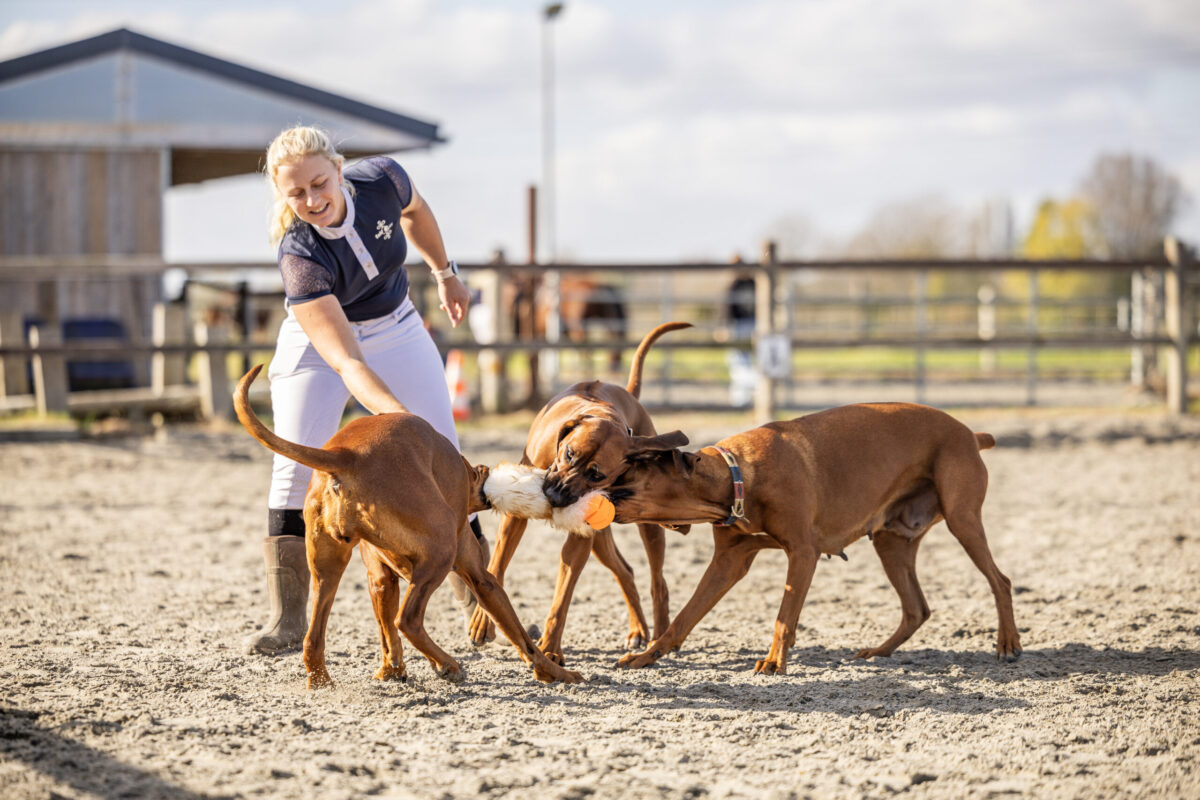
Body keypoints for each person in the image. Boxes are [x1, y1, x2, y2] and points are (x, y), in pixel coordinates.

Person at [246, 125, 486, 655]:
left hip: (396, 325)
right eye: (297, 194)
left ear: (338, 169)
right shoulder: (300, 256)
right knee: (294, 466)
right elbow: (347, 362)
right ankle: (287, 618)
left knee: (447, 454)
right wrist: (402, 424)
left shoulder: (383, 177)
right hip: (322, 342)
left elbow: (417, 214)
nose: (312, 199)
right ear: (283, 197)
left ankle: (480, 598)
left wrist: (445, 272)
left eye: (319, 183)